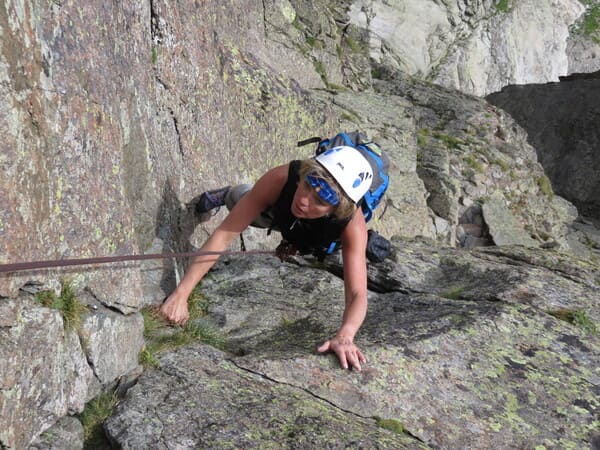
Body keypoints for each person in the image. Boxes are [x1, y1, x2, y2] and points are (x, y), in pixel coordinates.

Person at [160, 146, 374, 371]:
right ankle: (227, 194)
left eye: (321, 199)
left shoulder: (352, 227)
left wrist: (346, 335)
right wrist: (181, 294)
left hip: (311, 235)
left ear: (336, 209)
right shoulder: (282, 179)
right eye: (308, 184)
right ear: (304, 174)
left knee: (307, 234)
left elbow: (358, 293)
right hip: (280, 209)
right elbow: (224, 236)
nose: (304, 199)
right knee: (239, 201)